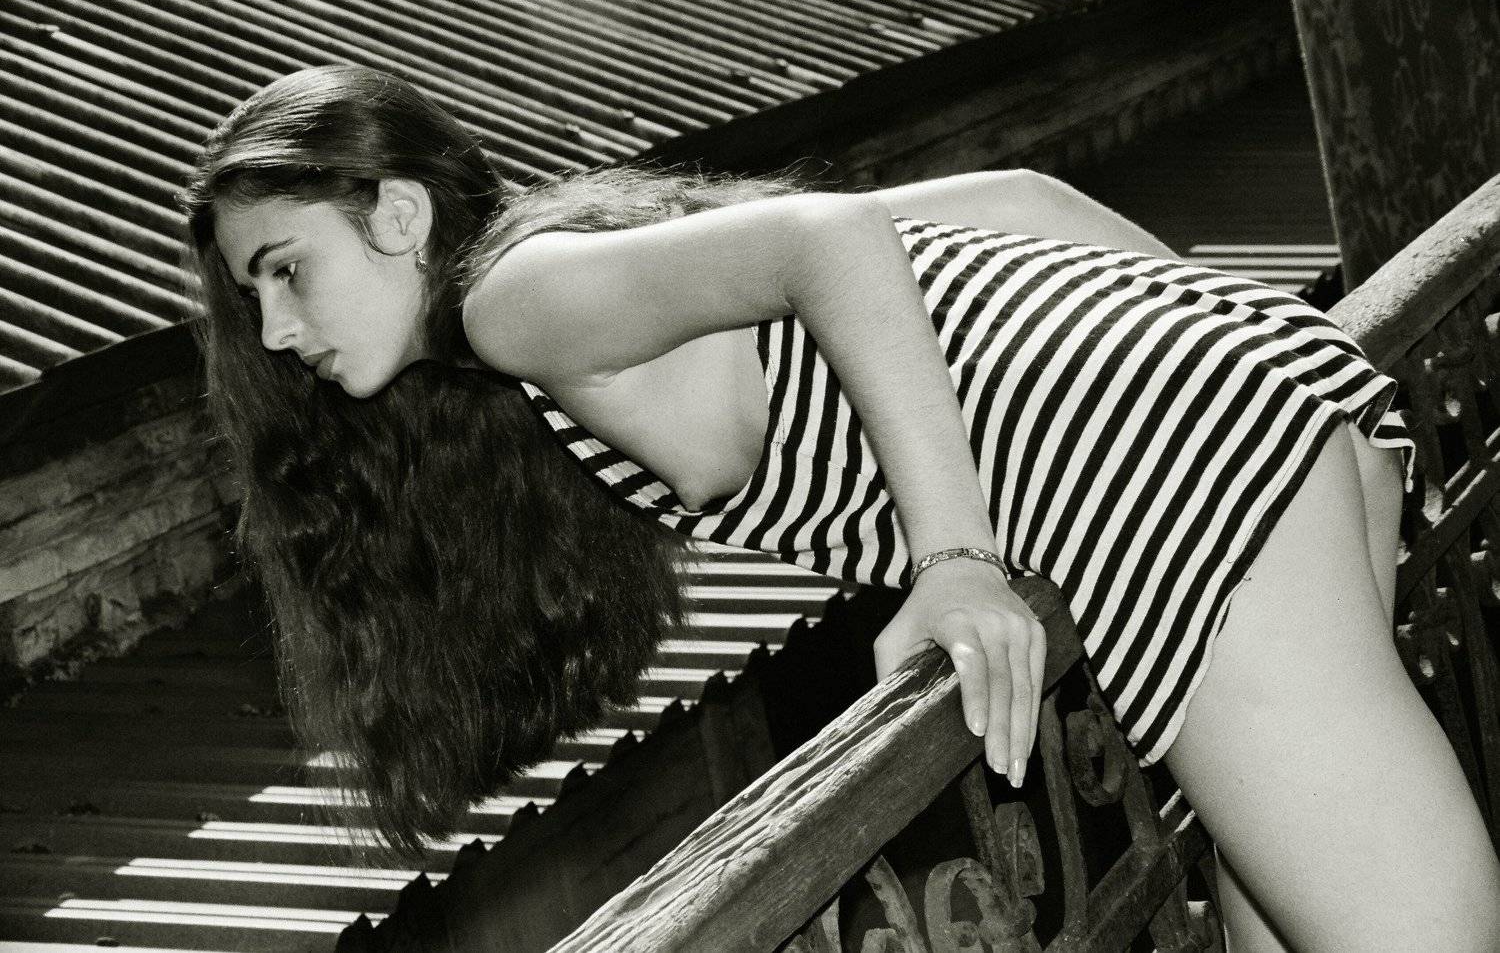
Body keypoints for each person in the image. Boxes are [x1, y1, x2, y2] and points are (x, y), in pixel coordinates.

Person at [180, 64, 1500, 950]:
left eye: (286, 269)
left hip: (1169, 471)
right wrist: (1240, 363)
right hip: (1254, 392)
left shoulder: (510, 303)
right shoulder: (576, 249)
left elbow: (831, 240)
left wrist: (954, 557)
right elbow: (1024, 204)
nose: (277, 329)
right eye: (254, 298)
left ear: (399, 215)